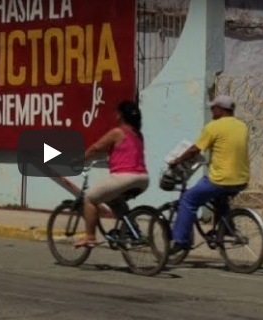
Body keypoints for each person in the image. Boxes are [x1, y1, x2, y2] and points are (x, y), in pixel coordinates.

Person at [167, 95, 250, 254]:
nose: (211, 111)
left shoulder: (213, 126)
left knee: (188, 199)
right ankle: (225, 229)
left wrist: (177, 160)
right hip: (241, 179)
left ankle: (180, 241)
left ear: (220, 110)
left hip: (220, 179)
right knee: (219, 199)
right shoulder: (242, 126)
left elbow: (195, 150)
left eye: (213, 108)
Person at [73, 100, 150, 248]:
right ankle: (133, 231)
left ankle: (90, 237)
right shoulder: (138, 135)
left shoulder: (118, 132)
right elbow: (122, 151)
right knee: (115, 200)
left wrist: (80, 160)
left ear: (120, 115)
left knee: (89, 199)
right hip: (143, 179)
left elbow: (96, 148)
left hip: (125, 177)